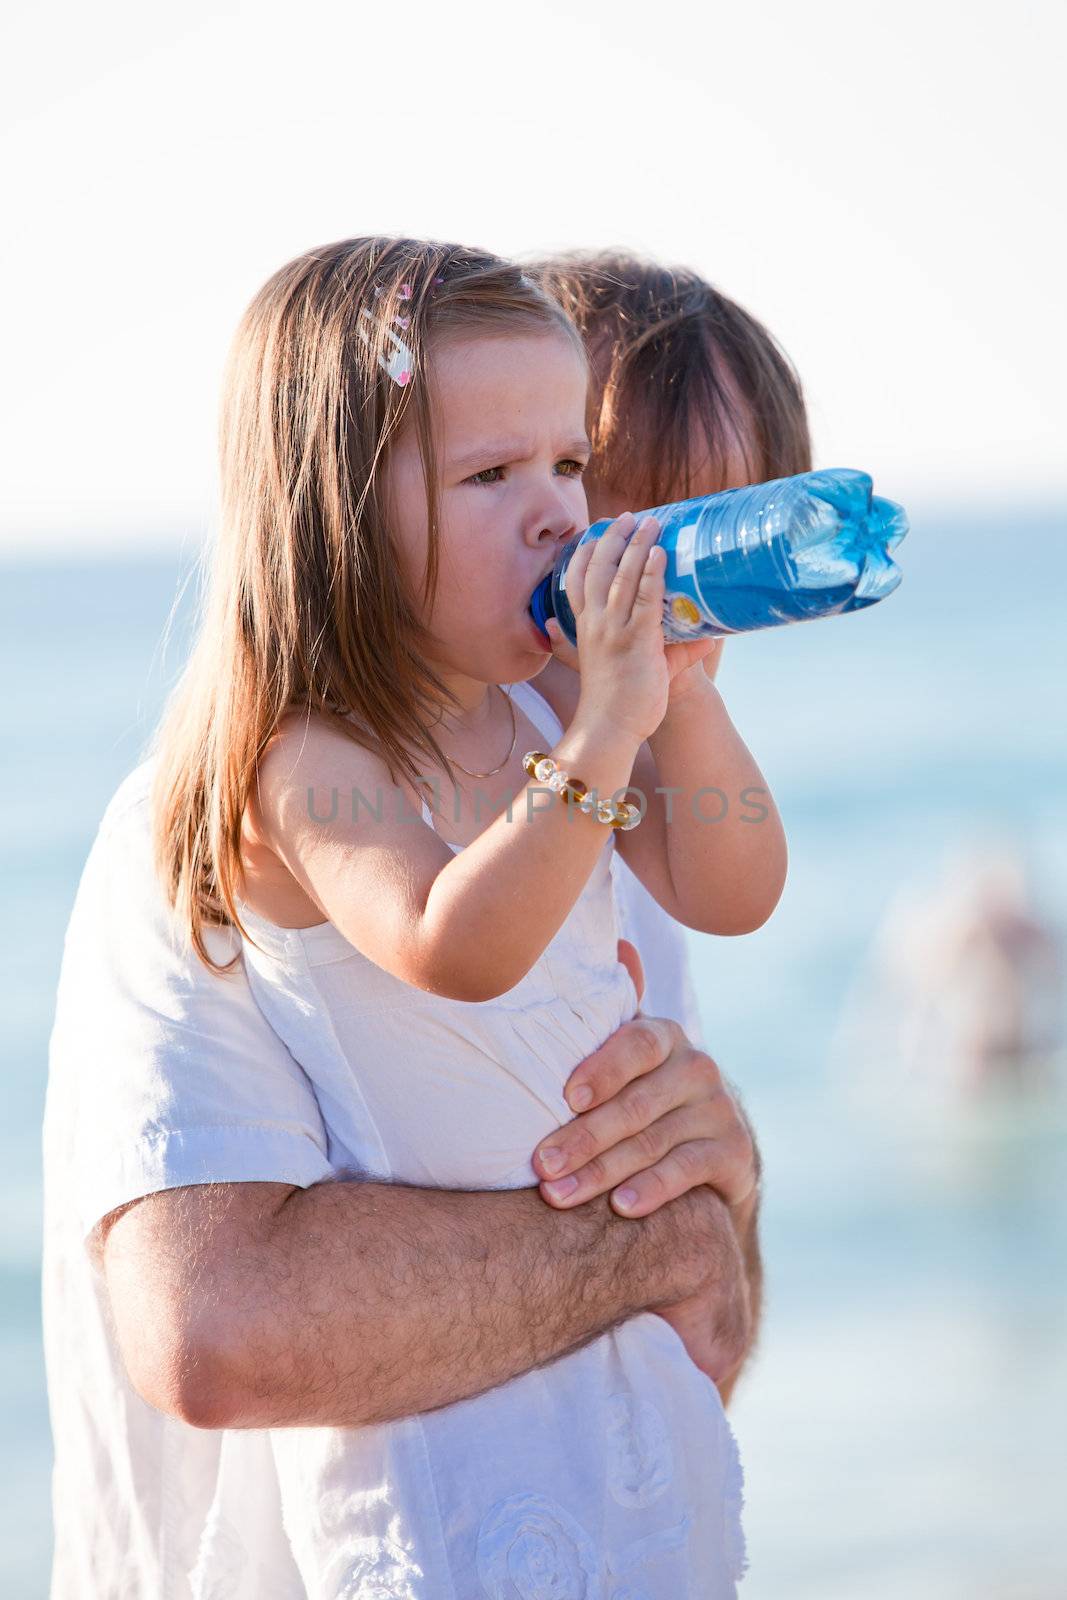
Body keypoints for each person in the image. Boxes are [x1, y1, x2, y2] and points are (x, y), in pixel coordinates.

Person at [41, 238, 808, 1599]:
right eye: (505, 475)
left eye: (572, 475)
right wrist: (656, 1237)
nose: (609, 550)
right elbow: (210, 1334)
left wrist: (675, 696)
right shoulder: (271, 784)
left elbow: (738, 894)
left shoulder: (573, 749)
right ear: (356, 508)